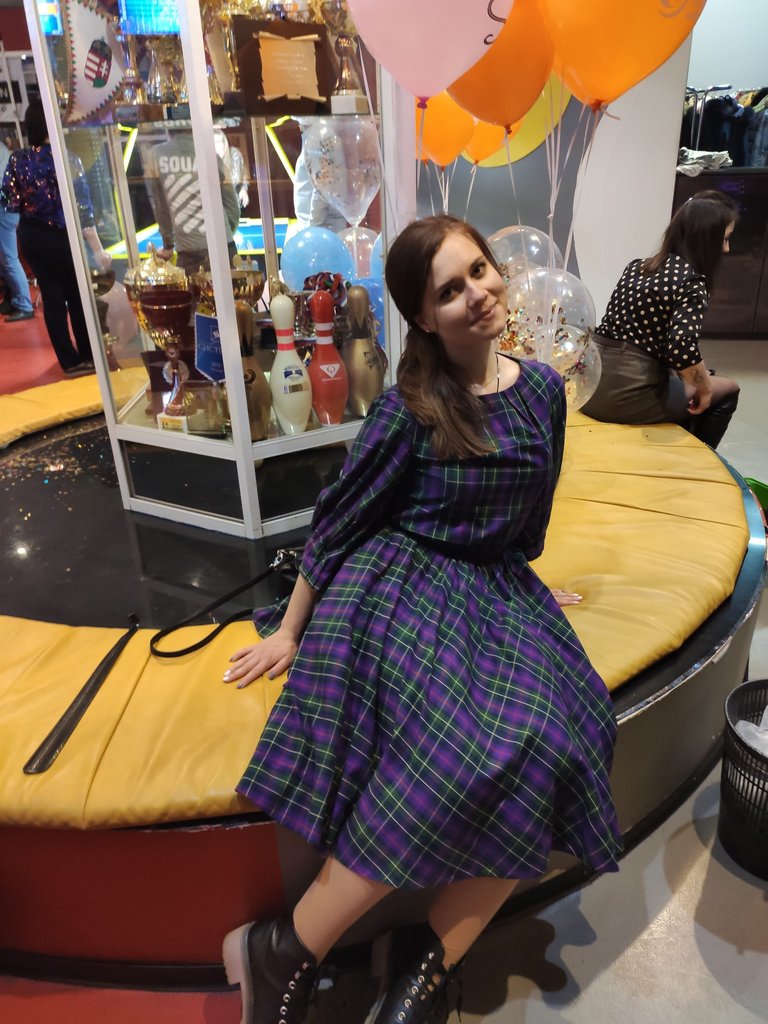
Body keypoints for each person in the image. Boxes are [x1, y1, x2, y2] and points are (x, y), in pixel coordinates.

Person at [220, 214, 622, 1024]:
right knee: (449, 748)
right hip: (401, 582)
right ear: (425, 318)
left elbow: (531, 517)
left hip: (494, 585)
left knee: (565, 734)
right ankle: (288, 947)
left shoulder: (543, 392)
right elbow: (339, 518)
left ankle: (426, 954)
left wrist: (532, 585)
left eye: (479, 271)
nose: (477, 294)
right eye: (449, 290)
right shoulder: (410, 408)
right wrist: (291, 631)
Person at [580, 190, 740, 449]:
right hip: (627, 395)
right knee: (728, 388)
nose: (726, 248)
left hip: (591, 386)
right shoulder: (692, 282)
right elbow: (681, 348)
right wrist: (705, 389)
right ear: (706, 240)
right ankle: (699, 456)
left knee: (699, 376)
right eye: (724, 239)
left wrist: (698, 375)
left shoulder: (637, 267)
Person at [0, 100, 112, 376]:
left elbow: (9, 201)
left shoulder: (17, 159)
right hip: (63, 236)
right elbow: (83, 209)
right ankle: (89, 355)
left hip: (31, 235)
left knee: (52, 297)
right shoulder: (67, 159)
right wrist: (97, 249)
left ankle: (69, 362)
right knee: (77, 296)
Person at [142, 127, 241, 274]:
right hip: (223, 247)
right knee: (232, 289)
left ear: (168, 130)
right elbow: (233, 207)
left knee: (191, 290)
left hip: (188, 251)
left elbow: (160, 208)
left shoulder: (156, 155)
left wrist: (168, 244)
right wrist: (223, 236)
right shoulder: (209, 154)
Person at [0, 137, 34, 321]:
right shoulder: (3, 149)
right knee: (6, 259)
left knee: (9, 259)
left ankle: (24, 304)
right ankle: (13, 299)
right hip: (8, 209)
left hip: (3, 209)